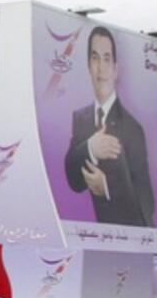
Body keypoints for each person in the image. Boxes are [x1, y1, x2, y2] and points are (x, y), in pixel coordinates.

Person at [63, 26, 154, 227]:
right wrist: (90, 148)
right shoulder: (81, 118)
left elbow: (147, 203)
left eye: (107, 58)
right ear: (88, 65)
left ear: (115, 68)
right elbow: (73, 179)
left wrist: (107, 187)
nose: (101, 68)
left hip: (129, 243)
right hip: (89, 244)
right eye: (95, 58)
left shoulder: (133, 129)